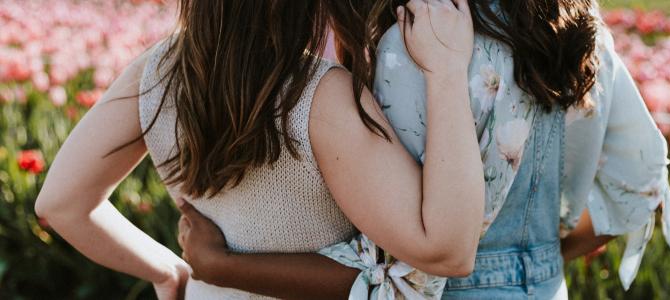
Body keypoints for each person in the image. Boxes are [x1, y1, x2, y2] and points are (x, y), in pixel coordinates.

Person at [177, 0, 670, 299]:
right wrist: (527, 262)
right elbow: (640, 184)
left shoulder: (413, 42)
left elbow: (394, 273)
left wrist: (222, 266)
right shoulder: (580, 28)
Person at [34, 0, 488, 299]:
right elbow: (448, 250)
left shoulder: (157, 72)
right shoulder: (319, 95)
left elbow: (61, 204)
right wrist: (446, 70)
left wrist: (167, 272)